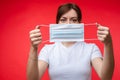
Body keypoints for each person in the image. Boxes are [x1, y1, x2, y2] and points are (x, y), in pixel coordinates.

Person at [27, 3, 114, 80]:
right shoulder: (48, 50)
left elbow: (106, 77)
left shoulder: (91, 48)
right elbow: (32, 79)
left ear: (80, 24)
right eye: (63, 20)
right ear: (57, 24)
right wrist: (33, 48)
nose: (68, 24)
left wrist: (108, 44)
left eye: (74, 20)